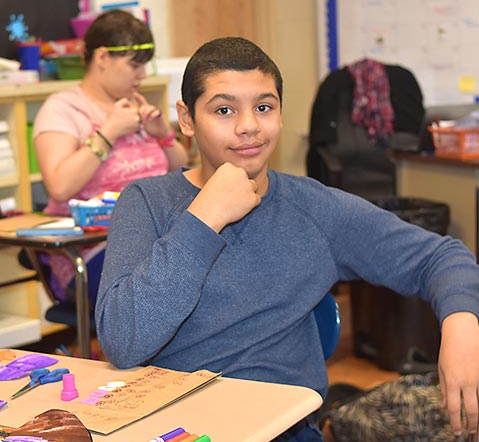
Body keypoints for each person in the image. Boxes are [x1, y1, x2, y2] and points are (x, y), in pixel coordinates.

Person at [95, 37, 479, 441]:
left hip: (281, 429)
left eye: (264, 107)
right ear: (187, 120)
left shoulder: (313, 208)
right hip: (172, 428)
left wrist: (461, 327)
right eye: (223, 110)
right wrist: (204, 218)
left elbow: (440, 256)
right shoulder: (147, 203)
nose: (248, 126)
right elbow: (123, 342)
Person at [31, 9, 187, 306]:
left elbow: (181, 170)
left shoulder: (135, 106)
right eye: (134, 65)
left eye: (145, 66)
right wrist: (109, 132)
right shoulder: (63, 110)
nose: (142, 75)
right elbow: (60, 186)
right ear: (102, 58)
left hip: (155, 241)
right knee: (177, 276)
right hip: (92, 251)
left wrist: (162, 135)